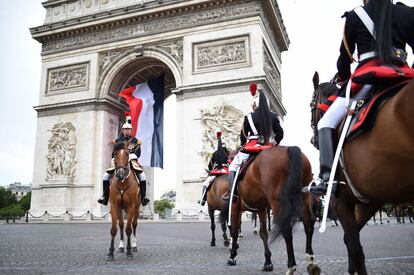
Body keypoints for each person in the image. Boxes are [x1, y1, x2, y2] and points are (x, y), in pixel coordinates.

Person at [310, 0, 414, 196]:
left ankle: (326, 179)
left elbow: (344, 60)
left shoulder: (356, 15)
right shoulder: (405, 13)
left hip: (368, 78)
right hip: (403, 74)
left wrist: (342, 78)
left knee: (325, 123)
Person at [223, 83, 284, 201]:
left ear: (254, 105)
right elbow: (280, 133)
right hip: (268, 146)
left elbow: (243, 138)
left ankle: (233, 194)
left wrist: (242, 145)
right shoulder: (273, 116)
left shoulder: (249, 117)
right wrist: (273, 143)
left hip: (251, 147)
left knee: (232, 167)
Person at [98, 115, 150, 206]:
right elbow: (113, 153)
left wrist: (131, 156)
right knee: (106, 176)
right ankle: (104, 197)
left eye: (129, 129)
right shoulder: (117, 141)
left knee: (142, 176)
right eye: (125, 129)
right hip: (119, 162)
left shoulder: (136, 141)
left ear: (131, 131)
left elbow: (138, 153)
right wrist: (116, 159)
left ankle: (143, 197)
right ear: (122, 131)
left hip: (132, 161)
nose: (127, 131)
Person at [198, 132, 230, 206]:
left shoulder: (215, 153)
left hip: (217, 173)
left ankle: (203, 200)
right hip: (227, 172)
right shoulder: (229, 153)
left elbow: (210, 165)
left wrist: (210, 169)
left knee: (205, 184)